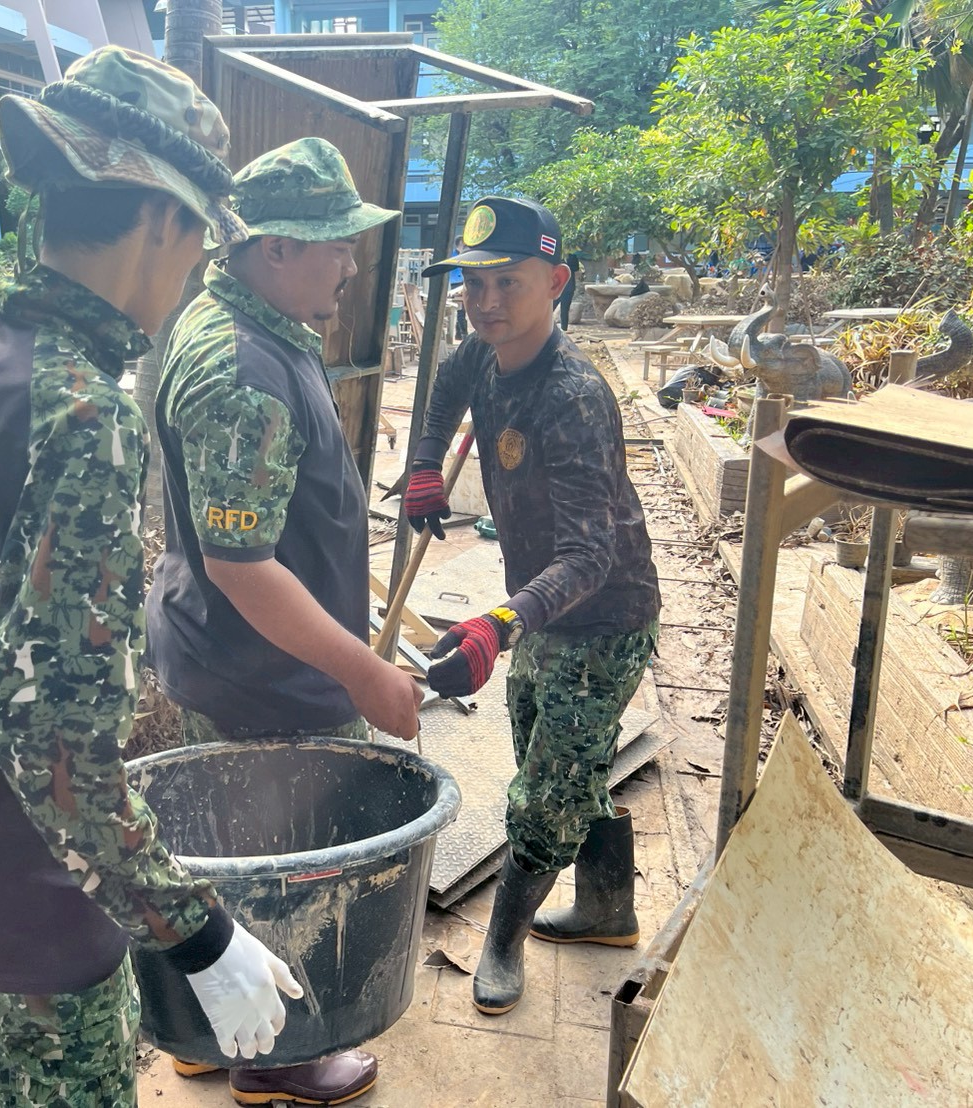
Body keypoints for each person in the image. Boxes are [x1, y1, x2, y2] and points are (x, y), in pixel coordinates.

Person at [0, 47, 302, 1107]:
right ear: (161, 220)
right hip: (16, 914)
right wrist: (200, 935)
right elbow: (51, 743)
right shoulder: (83, 415)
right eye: (199, 236)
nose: (196, 263)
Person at [148, 136, 418, 1105]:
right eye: (334, 243)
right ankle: (277, 1058)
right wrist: (364, 672)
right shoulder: (242, 371)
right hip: (261, 671)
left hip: (231, 655)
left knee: (227, 855)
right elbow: (243, 566)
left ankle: (208, 1034)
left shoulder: (246, 321)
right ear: (273, 248)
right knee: (281, 866)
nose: (351, 262)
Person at [403, 196, 660, 1017]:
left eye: (506, 282)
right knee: (561, 762)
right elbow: (447, 381)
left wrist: (500, 624)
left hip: (603, 618)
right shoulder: (482, 354)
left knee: (546, 791)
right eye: (472, 284)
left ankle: (501, 945)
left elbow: (590, 555)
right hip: (541, 610)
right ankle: (608, 910)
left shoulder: (572, 395)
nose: (484, 302)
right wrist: (424, 461)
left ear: (555, 282)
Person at [557, 249, 580, 329]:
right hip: (563, 285)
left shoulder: (571, 255)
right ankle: (562, 328)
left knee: (562, 309)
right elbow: (576, 268)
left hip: (563, 286)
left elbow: (576, 268)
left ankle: (563, 328)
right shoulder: (570, 255)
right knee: (562, 309)